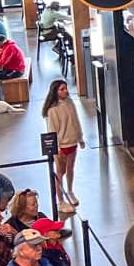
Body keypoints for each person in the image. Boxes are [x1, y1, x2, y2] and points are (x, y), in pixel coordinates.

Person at [41, 79, 85, 209]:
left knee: (70, 169)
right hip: (62, 146)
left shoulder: (70, 103)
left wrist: (80, 138)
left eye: (66, 88)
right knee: (60, 172)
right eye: (62, 89)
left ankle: (70, 191)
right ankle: (60, 200)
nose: (65, 91)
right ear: (55, 91)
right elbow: (52, 130)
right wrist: (57, 148)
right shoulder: (52, 110)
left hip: (72, 142)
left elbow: (76, 121)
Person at [0, 30, 26, 100]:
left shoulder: (10, 48)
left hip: (16, 71)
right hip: (12, 68)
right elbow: (2, 55)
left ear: (1, 42)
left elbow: (2, 62)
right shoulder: (8, 45)